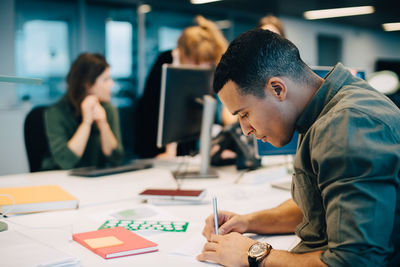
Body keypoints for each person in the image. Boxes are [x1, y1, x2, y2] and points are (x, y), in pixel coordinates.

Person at [197, 28, 400, 266]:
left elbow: (353, 261)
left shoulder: (346, 125)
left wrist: (252, 253)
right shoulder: (324, 107)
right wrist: (248, 221)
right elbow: (324, 205)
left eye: (245, 113)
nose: (245, 130)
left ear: (277, 89)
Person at [134, 15, 230, 159]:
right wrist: (168, 151)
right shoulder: (166, 64)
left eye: (209, 64)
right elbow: (161, 110)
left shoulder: (206, 71)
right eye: (198, 62)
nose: (203, 68)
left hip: (186, 147)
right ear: (184, 52)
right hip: (154, 145)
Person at [41, 53, 124, 170]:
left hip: (95, 181)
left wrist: (102, 123)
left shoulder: (107, 109)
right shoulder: (55, 113)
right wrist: (86, 123)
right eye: (106, 79)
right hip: (58, 180)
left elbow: (116, 159)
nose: (112, 84)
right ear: (88, 85)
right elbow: (66, 161)